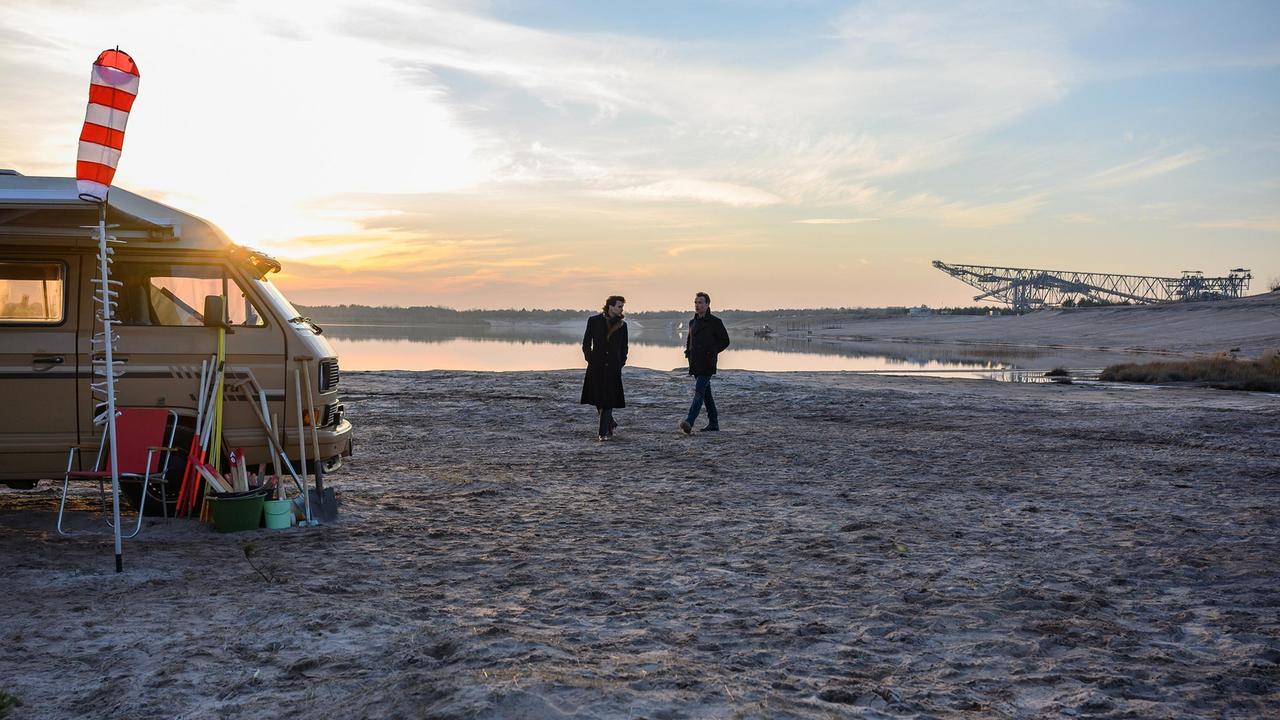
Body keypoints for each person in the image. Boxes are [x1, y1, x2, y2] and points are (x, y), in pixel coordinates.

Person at [679, 291, 730, 434]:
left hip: (708, 364)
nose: (697, 305)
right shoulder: (692, 322)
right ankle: (714, 423)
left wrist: (712, 352)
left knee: (699, 392)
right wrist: (688, 353)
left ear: (707, 305)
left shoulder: (715, 322)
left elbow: (725, 341)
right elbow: (690, 341)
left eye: (700, 302)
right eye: (696, 302)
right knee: (707, 395)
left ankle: (689, 421)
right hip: (695, 363)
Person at [580, 295, 628, 441]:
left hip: (613, 367)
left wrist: (621, 362)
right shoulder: (594, 321)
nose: (622, 309)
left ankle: (603, 433)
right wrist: (590, 359)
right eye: (619, 306)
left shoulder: (622, 325)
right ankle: (610, 422)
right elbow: (586, 343)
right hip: (596, 365)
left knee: (608, 400)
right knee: (598, 399)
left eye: (622, 307)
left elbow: (624, 347)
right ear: (610, 306)